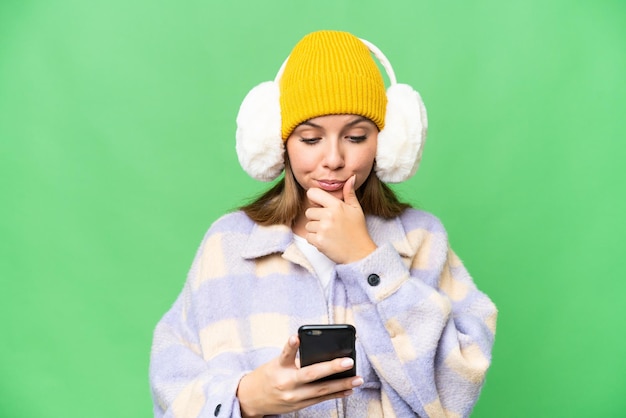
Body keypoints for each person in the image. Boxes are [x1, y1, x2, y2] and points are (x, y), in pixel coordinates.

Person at [149, 30, 497, 418]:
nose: (333, 158)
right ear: (278, 143)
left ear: (388, 141)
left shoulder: (422, 239)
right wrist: (243, 398)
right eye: (311, 138)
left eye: (356, 136)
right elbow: (169, 383)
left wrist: (367, 260)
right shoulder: (228, 244)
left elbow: (455, 389)